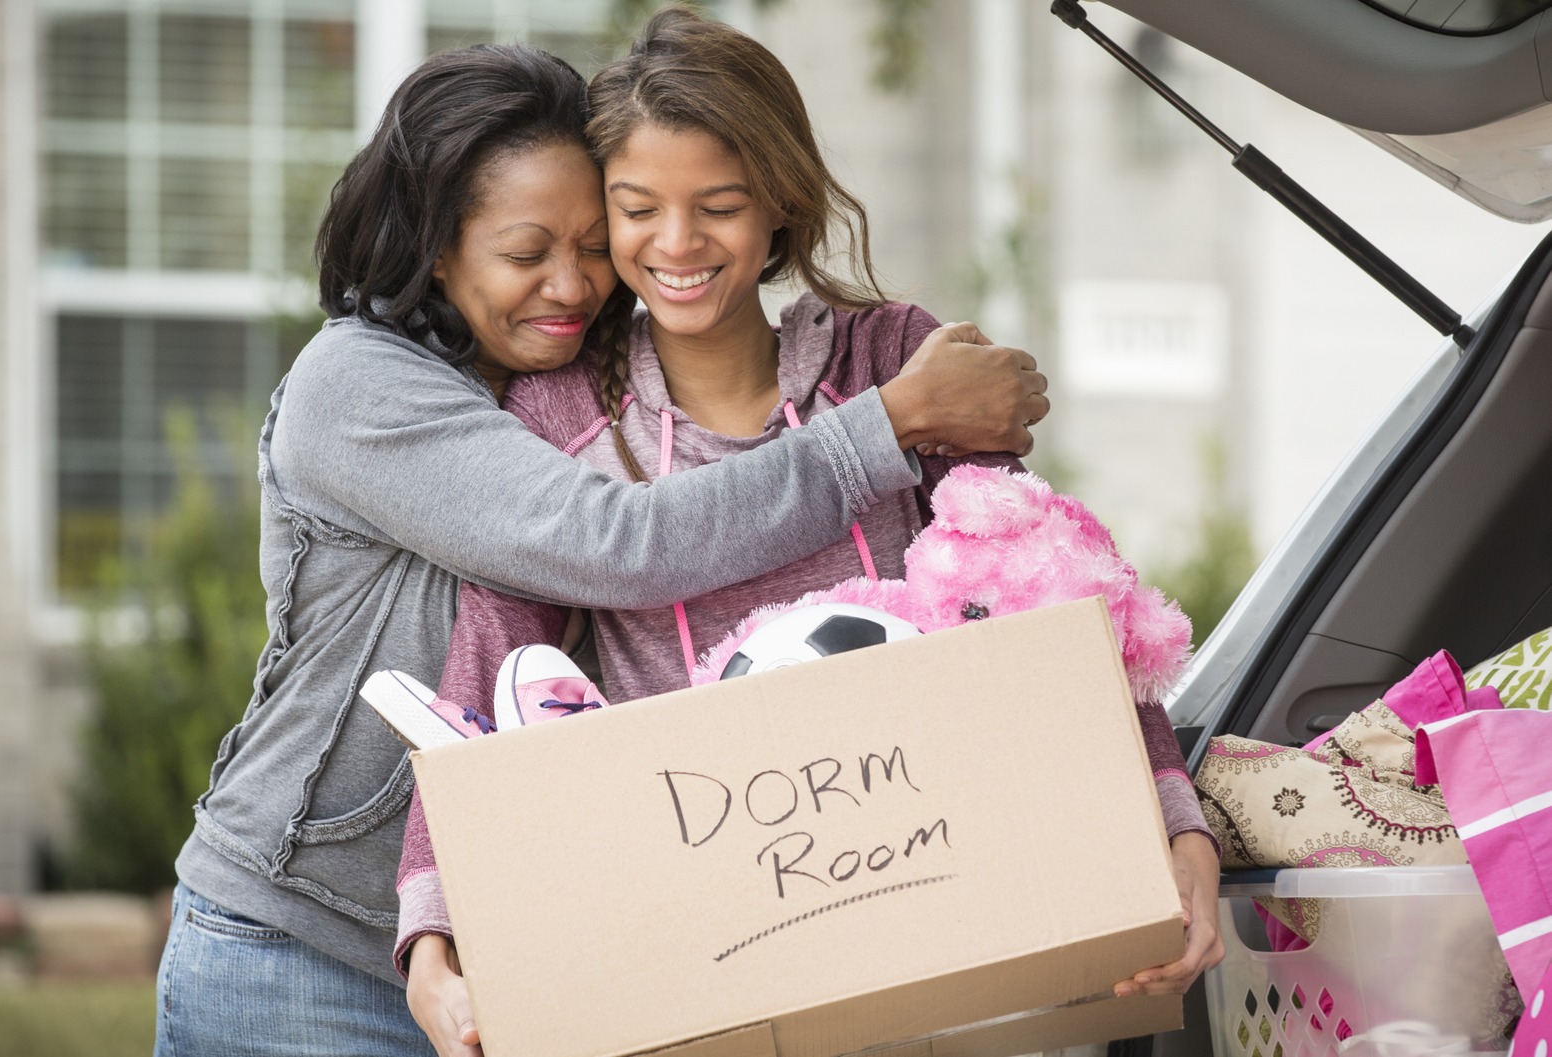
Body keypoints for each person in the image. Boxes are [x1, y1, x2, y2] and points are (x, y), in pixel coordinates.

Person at [150, 40, 1048, 1057]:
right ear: (437, 247)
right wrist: (891, 421)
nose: (570, 284)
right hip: (305, 950)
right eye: (527, 254)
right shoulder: (359, 387)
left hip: (525, 961)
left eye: (589, 243)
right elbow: (617, 544)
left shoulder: (568, 392)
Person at [389, 11, 1222, 1057]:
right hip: (718, 968)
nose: (677, 243)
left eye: (719, 206)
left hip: (955, 935)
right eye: (636, 208)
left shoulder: (894, 363)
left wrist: (1171, 816)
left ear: (780, 202)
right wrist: (433, 932)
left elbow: (1045, 590)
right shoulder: (559, 419)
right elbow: (488, 669)